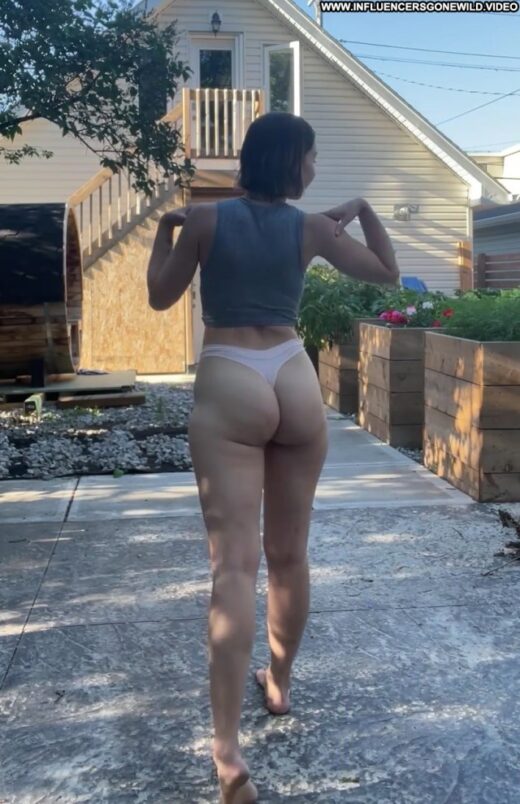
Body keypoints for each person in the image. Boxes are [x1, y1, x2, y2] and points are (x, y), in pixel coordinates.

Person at [147, 112, 400, 804]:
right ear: (291, 162)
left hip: (230, 372)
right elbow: (388, 274)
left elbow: (160, 297)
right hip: (294, 377)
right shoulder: (312, 228)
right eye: (311, 157)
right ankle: (279, 685)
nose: (315, 169)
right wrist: (364, 210)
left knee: (234, 567)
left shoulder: (204, 220)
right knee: (289, 556)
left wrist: (163, 234)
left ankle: (229, 755)